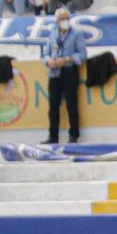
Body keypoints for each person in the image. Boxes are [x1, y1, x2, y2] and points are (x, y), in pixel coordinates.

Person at [41, 10, 86, 144]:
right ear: (56, 21)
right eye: (62, 19)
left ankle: (74, 135)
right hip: (54, 73)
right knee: (53, 106)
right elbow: (45, 53)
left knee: (71, 104)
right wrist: (49, 61)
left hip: (69, 71)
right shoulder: (53, 34)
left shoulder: (76, 34)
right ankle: (53, 136)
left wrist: (67, 59)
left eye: (66, 18)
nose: (65, 21)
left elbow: (82, 54)